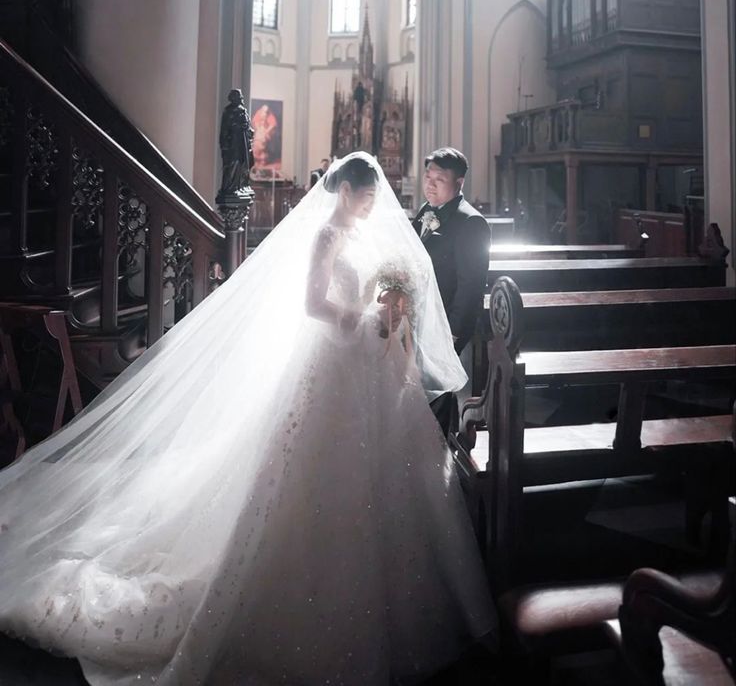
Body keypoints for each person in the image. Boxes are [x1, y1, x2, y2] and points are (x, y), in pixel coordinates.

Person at [0, 152, 496, 686]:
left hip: (367, 363)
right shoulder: (327, 237)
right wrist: (362, 316)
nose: (374, 206)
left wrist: (389, 308)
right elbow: (312, 304)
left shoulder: (359, 238)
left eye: (376, 198)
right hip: (331, 360)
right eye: (367, 197)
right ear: (345, 193)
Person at [412, 148, 491, 437]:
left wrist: (454, 335)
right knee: (422, 395)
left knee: (440, 395)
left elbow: (471, 285)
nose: (430, 184)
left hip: (446, 327)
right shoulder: (425, 211)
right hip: (421, 321)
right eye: (428, 176)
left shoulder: (471, 222)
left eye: (439, 179)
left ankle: (441, 457)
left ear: (459, 183)